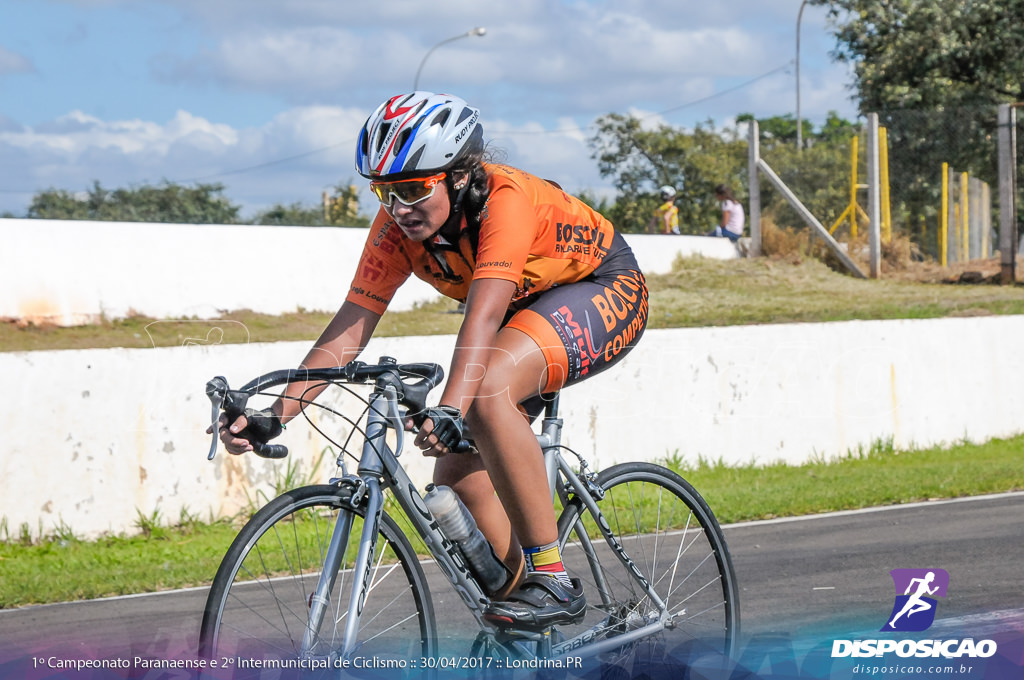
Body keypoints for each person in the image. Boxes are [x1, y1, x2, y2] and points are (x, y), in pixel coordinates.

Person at [212, 92, 649, 630]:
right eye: (385, 192)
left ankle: (553, 577)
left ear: (460, 175)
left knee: (483, 397)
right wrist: (274, 415)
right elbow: (352, 325)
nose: (399, 208)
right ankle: (523, 627)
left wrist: (449, 408)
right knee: (459, 480)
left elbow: (482, 318)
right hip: (521, 310)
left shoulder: (504, 200)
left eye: (415, 188)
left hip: (599, 287)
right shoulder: (397, 224)